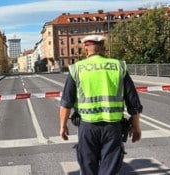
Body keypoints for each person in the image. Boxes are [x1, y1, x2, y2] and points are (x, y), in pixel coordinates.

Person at [59, 34, 143, 175]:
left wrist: (62, 126)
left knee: (88, 168)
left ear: (86, 51)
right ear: (104, 50)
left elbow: (66, 102)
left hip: (87, 127)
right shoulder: (118, 66)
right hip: (113, 127)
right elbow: (133, 102)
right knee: (109, 170)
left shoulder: (77, 68)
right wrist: (136, 127)